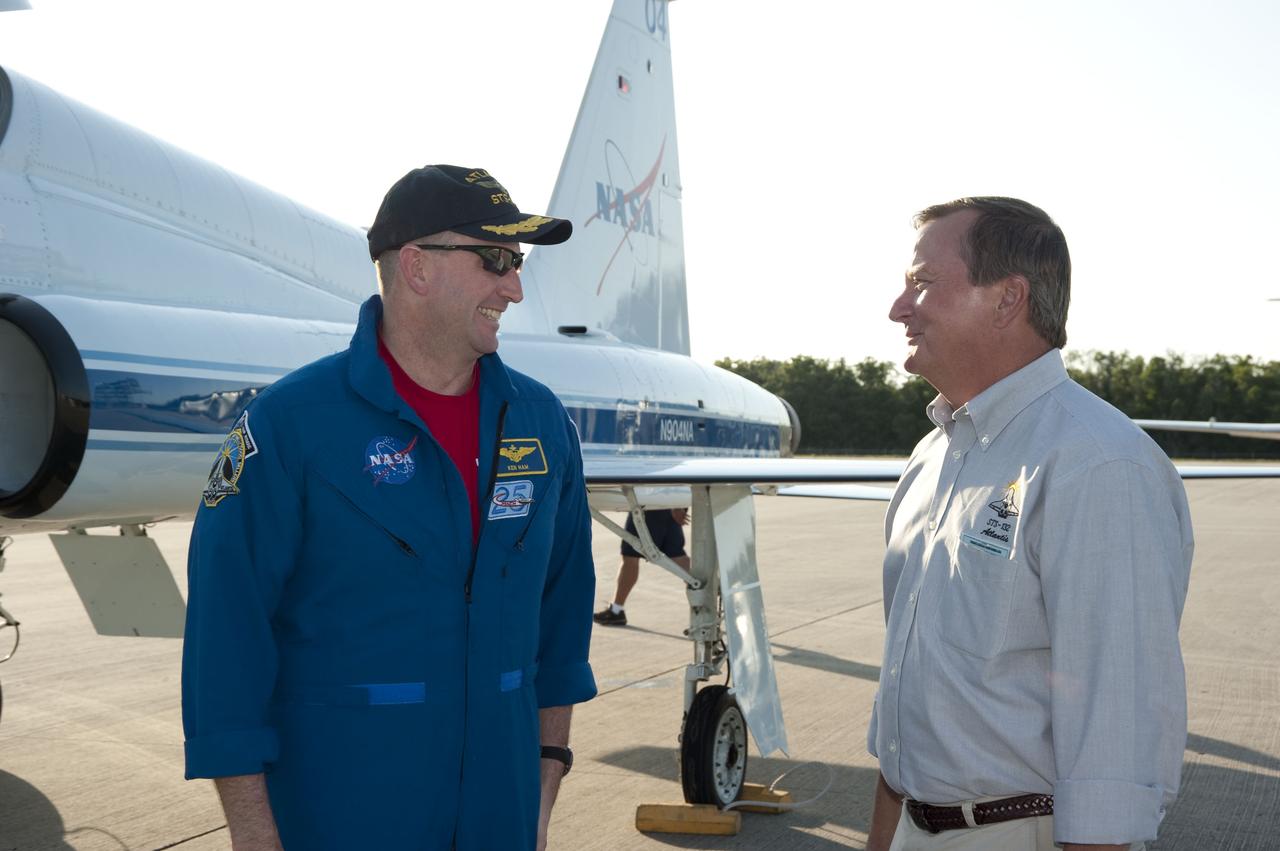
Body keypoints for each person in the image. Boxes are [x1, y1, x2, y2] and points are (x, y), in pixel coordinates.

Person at [181, 164, 597, 851]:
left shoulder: (542, 426)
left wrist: (545, 789)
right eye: (496, 259)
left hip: (503, 819)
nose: (515, 287)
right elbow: (225, 646)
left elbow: (561, 626)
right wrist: (254, 836)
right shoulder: (290, 427)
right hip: (341, 820)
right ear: (416, 266)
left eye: (517, 263)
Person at [867, 197, 1193, 851]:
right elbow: (911, 693)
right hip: (915, 827)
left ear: (1008, 297)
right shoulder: (935, 455)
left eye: (923, 284)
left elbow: (1115, 725)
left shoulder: (1098, 462)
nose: (899, 308)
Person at [593, 508, 689, 626]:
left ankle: (616, 610)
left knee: (630, 556)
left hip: (647, 504)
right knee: (677, 555)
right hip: (663, 503)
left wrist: (677, 507)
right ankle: (710, 594)